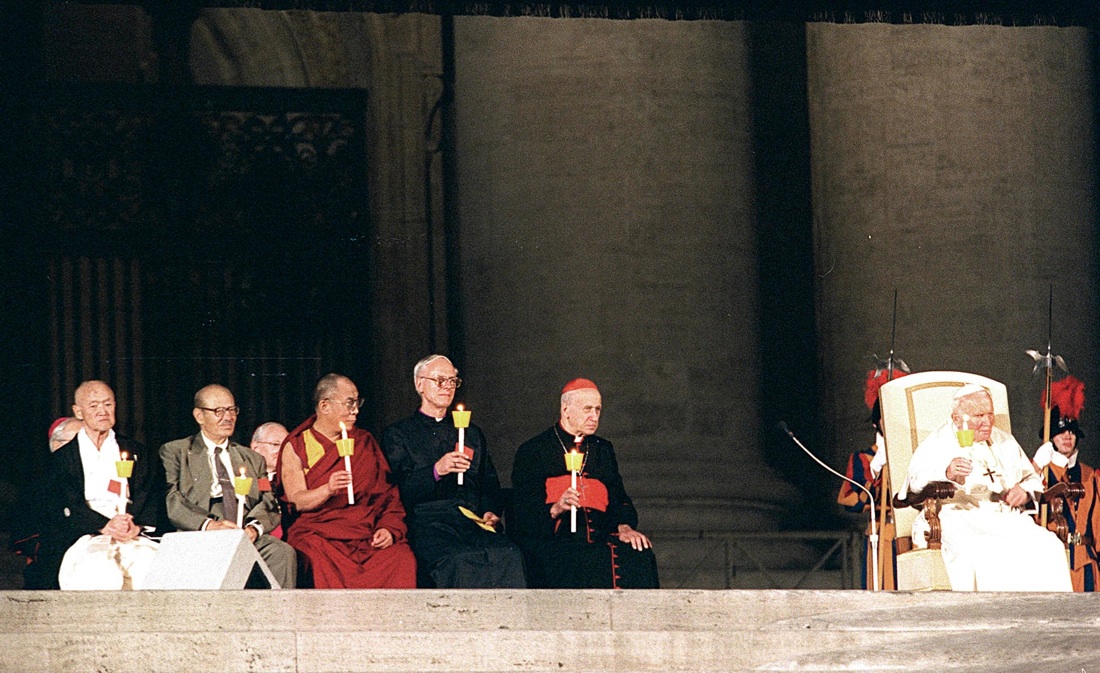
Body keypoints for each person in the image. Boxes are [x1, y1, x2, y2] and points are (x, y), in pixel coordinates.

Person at [899, 383, 1072, 591]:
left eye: (990, 414)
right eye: (978, 416)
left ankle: (1044, 619)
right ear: (956, 418)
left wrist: (1025, 492)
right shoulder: (938, 442)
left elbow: (1031, 478)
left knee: (1049, 545)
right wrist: (946, 472)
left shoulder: (1004, 440)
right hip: (957, 516)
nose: (987, 422)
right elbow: (915, 482)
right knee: (981, 551)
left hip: (1005, 517)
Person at [381, 355, 525, 588]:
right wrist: (436, 470)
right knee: (457, 561)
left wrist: (489, 511)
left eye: (452, 381)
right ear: (419, 384)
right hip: (429, 522)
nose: (447, 387)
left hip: (471, 521)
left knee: (508, 554)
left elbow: (488, 482)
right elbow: (398, 489)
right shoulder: (399, 434)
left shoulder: (472, 433)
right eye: (439, 380)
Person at [510, 378, 658, 588]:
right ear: (566, 409)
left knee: (638, 551)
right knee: (578, 557)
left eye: (598, 410)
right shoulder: (533, 450)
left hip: (600, 536)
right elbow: (522, 511)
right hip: (553, 538)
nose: (594, 416)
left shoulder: (603, 449)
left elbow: (619, 498)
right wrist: (556, 508)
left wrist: (624, 527)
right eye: (587, 409)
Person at [24, 381, 165, 590]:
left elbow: (149, 493)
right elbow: (61, 504)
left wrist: (135, 525)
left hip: (131, 532)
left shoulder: (137, 451)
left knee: (150, 568)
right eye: (94, 406)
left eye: (108, 404)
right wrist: (103, 525)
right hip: (86, 533)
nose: (103, 411)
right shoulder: (62, 458)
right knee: (99, 572)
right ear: (78, 411)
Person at [280, 373, 416, 588]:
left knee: (401, 557)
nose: (356, 410)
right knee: (312, 553)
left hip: (365, 533)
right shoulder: (297, 444)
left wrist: (388, 529)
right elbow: (296, 500)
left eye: (357, 402)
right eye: (349, 403)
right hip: (320, 534)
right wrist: (327, 489)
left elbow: (388, 497)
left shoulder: (364, 441)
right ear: (325, 406)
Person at [159, 385, 296, 589]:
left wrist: (253, 529)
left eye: (232, 410)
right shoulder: (175, 451)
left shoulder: (252, 459)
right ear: (199, 415)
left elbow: (268, 502)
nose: (228, 417)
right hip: (200, 532)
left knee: (282, 553)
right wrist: (210, 526)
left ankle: (277, 619)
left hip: (242, 529)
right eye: (218, 411)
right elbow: (172, 501)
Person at [837, 368, 905, 590]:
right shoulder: (863, 459)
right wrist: (874, 473)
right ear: (877, 424)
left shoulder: (912, 454)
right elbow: (851, 502)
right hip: (883, 534)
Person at [1032, 375, 1100, 591]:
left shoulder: (1091, 475)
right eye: (1061, 432)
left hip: (1088, 563)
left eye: (1071, 432)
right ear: (1051, 436)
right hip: (1054, 562)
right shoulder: (1038, 473)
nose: (1067, 437)